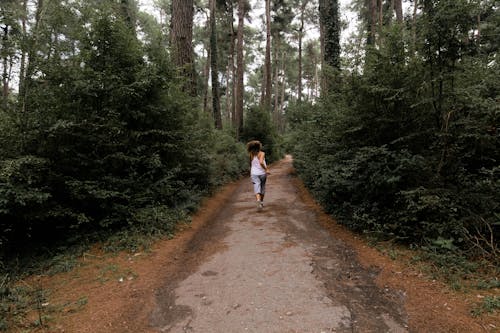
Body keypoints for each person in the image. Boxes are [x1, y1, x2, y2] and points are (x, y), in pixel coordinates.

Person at [247, 140, 270, 209]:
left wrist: (251, 171)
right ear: (259, 147)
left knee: (256, 186)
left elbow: (251, 163)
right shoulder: (262, 153)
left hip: (254, 173)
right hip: (262, 173)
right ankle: (261, 202)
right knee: (262, 186)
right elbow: (261, 162)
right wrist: (266, 169)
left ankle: (258, 200)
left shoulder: (251, 154)